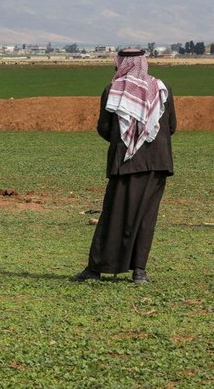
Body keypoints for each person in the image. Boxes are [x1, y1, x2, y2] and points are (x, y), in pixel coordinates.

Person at [75, 49, 176, 284]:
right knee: (146, 217)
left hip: (126, 163)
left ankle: (96, 268)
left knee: (113, 214)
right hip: (157, 163)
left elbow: (104, 128)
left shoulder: (113, 91)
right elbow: (170, 126)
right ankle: (139, 272)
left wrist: (126, 142)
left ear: (120, 64)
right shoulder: (162, 88)